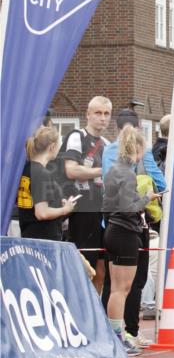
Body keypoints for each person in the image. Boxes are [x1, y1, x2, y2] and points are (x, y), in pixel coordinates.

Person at [102, 108, 166, 349]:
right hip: (125, 231)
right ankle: (117, 337)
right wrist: (147, 198)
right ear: (136, 150)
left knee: (117, 288)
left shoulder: (112, 172)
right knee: (121, 289)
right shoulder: (126, 174)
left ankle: (115, 336)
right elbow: (129, 208)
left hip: (113, 229)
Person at [63, 96, 112, 293]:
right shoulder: (77, 137)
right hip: (82, 210)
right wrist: (103, 171)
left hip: (103, 210)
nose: (102, 118)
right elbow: (71, 170)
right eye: (98, 113)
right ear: (88, 114)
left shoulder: (108, 144)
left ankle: (95, 315)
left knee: (101, 270)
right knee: (83, 267)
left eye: (106, 114)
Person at [17, 126, 78, 240]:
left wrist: (58, 202)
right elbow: (41, 213)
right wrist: (65, 209)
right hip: (44, 240)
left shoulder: (27, 169)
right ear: (52, 147)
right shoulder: (42, 173)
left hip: (29, 236)